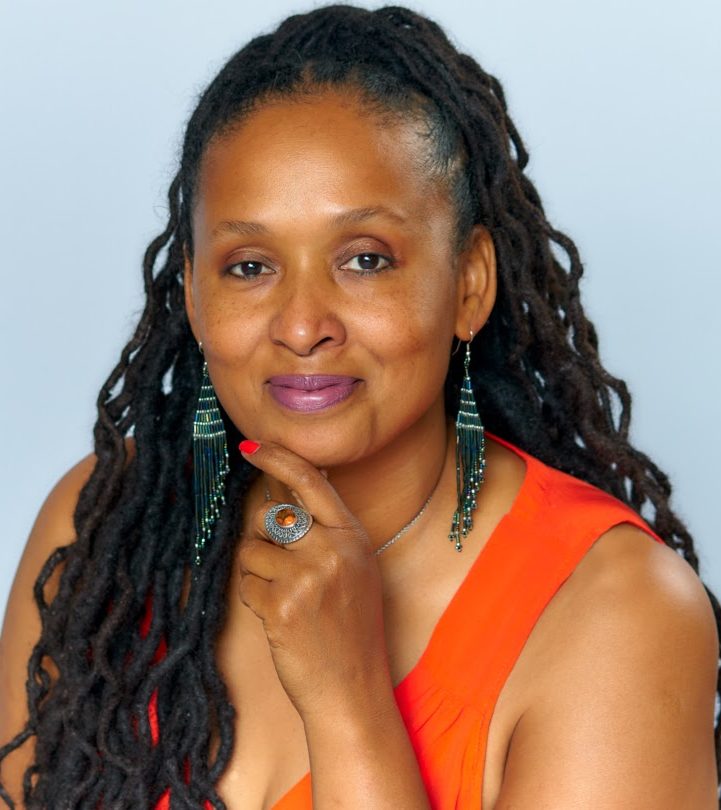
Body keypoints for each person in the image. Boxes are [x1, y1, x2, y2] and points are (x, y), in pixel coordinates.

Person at [0, 4, 718, 808]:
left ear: (469, 285)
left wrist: (347, 705)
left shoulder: (615, 615)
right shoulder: (101, 527)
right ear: (196, 302)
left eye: (365, 259)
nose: (304, 325)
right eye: (248, 267)